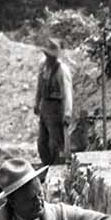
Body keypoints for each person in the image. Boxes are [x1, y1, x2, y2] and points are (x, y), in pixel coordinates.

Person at [35, 35, 74, 165]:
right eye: (47, 55)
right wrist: (37, 102)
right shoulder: (43, 66)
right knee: (42, 142)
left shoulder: (62, 71)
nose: (48, 58)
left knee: (55, 142)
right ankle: (46, 164)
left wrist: (67, 113)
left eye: (51, 56)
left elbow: (67, 93)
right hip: (45, 105)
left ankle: (56, 166)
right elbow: (39, 85)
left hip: (56, 106)